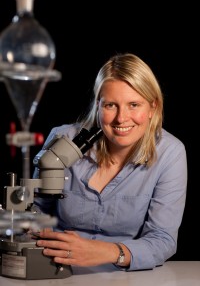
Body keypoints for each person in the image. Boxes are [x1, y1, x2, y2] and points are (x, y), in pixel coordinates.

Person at [32, 52, 187, 271]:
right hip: (54, 269)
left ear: (152, 107)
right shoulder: (64, 139)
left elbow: (163, 240)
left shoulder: (171, 153)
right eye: (110, 105)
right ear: (98, 105)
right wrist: (38, 232)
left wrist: (107, 252)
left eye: (134, 105)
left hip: (126, 277)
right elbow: (34, 211)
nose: (121, 118)